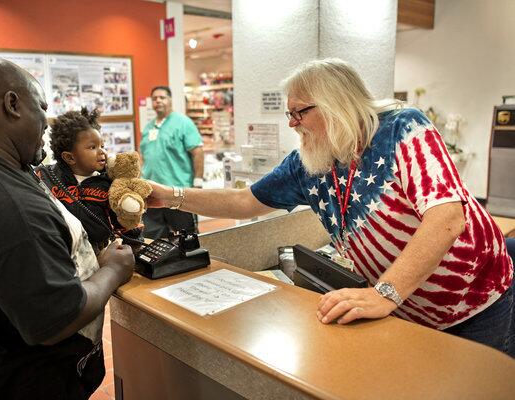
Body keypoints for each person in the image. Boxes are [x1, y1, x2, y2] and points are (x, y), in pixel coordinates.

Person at [146, 58, 514, 357]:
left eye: (298, 113)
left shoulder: (404, 128)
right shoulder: (307, 163)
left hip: (477, 301)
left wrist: (384, 292)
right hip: (410, 309)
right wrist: (169, 195)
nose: (291, 124)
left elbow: (447, 218)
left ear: (337, 104)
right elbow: (245, 201)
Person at [0, 58, 135, 399]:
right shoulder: (10, 208)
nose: (46, 123)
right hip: (16, 382)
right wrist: (112, 270)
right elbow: (57, 320)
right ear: (12, 105)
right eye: (41, 108)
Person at [36, 107, 143, 254]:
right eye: (93, 147)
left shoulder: (109, 184)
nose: (102, 152)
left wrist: (134, 245)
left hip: (99, 253)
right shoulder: (48, 177)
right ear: (70, 157)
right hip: (60, 252)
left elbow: (125, 220)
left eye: (102, 146)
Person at [140, 86, 204, 239]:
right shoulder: (149, 127)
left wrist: (198, 183)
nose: (158, 101)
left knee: (186, 237)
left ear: (170, 100)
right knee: (153, 237)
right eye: (154, 99)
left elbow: (198, 152)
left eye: (162, 97)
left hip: (177, 192)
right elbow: (143, 155)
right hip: (152, 192)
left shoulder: (183, 123)